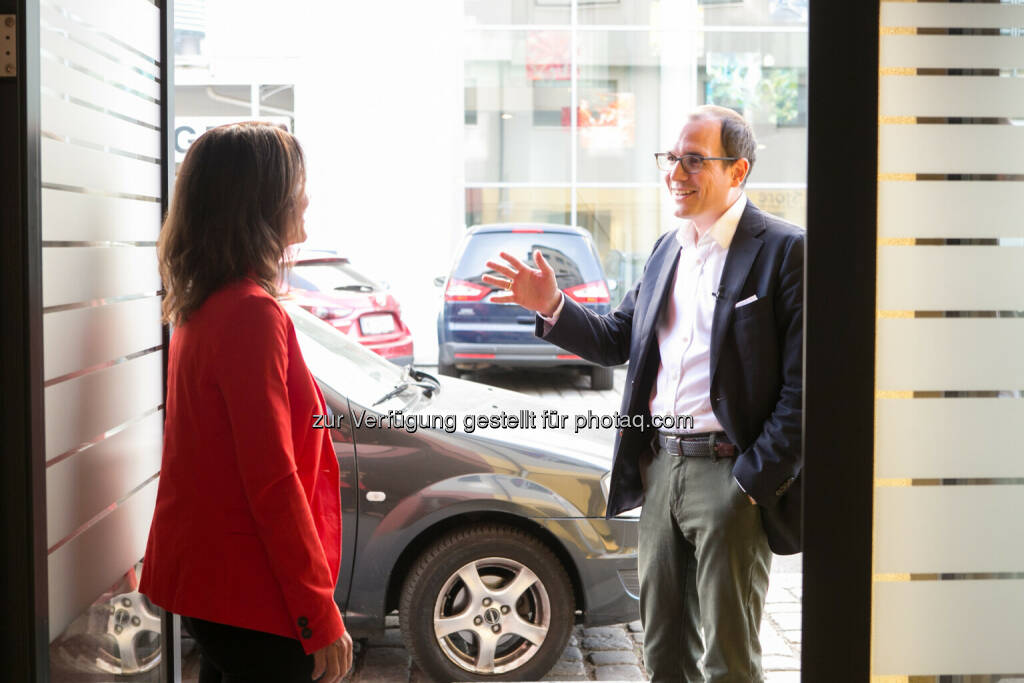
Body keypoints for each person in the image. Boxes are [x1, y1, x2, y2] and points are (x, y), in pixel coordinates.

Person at [484, 105, 803, 682]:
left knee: (728, 660)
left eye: (693, 160)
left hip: (730, 477)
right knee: (662, 651)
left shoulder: (784, 250)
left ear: (738, 171)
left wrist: (751, 484)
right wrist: (551, 307)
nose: (675, 172)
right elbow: (617, 340)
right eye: (671, 158)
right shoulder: (667, 249)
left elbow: (807, 389)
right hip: (661, 468)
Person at [140, 122, 353, 683]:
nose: (305, 197)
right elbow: (271, 479)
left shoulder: (208, 304)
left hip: (222, 590)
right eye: (296, 183)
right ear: (259, 202)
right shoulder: (249, 313)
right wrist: (318, 612)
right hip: (254, 594)